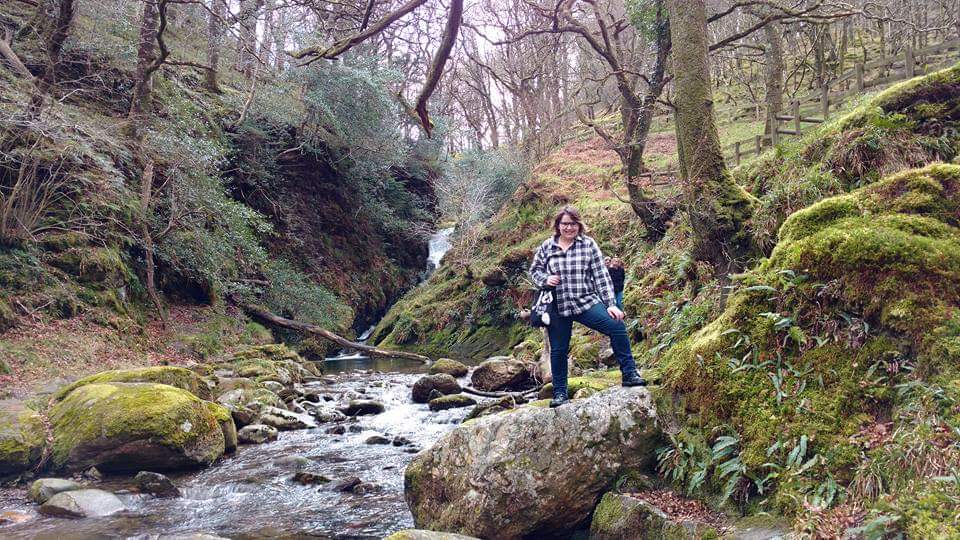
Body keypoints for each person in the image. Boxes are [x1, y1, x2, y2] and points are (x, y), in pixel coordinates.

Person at [529, 205, 646, 408]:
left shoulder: (588, 245)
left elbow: (601, 276)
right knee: (558, 350)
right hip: (557, 306)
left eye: (573, 224)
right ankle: (559, 393)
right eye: (565, 224)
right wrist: (546, 279)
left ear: (578, 225)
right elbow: (534, 271)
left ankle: (629, 374)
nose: (569, 228)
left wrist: (611, 304)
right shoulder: (547, 246)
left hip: (585, 301)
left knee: (616, 326)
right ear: (558, 226)